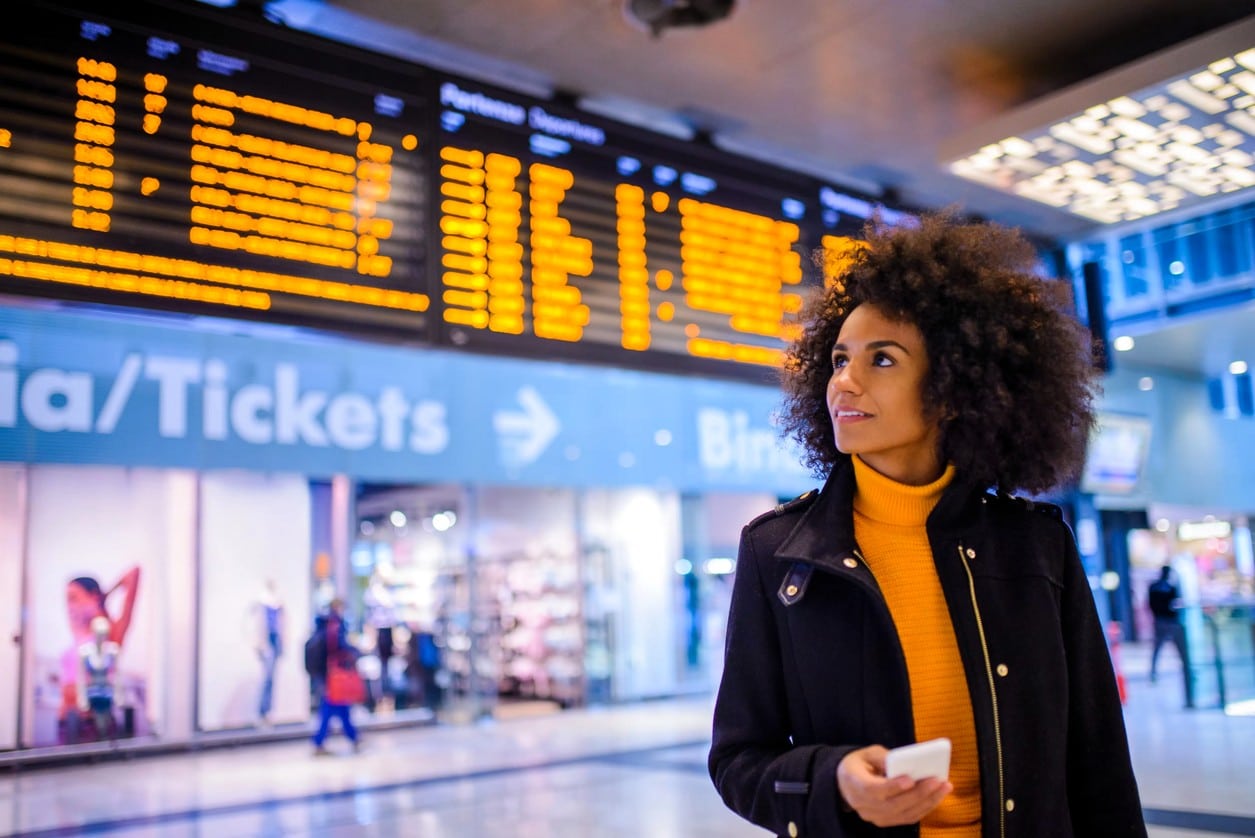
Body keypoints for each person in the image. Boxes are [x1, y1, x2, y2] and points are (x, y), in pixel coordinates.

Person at [708, 211, 1146, 837]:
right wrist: (835, 782)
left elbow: (1099, 761)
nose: (844, 383)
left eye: (881, 360)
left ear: (953, 388)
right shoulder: (779, 552)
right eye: (838, 359)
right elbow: (736, 761)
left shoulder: (1037, 547)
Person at [59, 566, 141, 742]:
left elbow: (134, 572)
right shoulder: (78, 629)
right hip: (66, 720)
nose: (70, 607)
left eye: (74, 598)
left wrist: (105, 596)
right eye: (67, 601)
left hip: (91, 722)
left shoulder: (112, 633)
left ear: (94, 596)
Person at [306, 598, 362, 754]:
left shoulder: (324, 624)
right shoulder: (334, 625)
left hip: (326, 674)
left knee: (339, 707)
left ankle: (353, 737)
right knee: (331, 707)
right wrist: (354, 651)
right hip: (332, 675)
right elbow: (338, 647)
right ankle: (320, 741)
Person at [1148, 565, 1194, 708]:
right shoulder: (1163, 587)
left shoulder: (1160, 587)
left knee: (1161, 649)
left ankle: (1155, 672)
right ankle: (1154, 672)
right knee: (1159, 649)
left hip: (1165, 621)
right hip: (1166, 621)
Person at [75, 615, 120, 742]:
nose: (101, 636)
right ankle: (99, 743)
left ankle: (104, 742)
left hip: (107, 692)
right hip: (93, 692)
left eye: (104, 634)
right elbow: (81, 677)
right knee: (96, 723)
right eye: (99, 633)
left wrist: (118, 695)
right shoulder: (85, 652)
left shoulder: (112, 651)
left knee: (107, 722)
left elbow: (117, 675)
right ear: (93, 633)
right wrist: (82, 697)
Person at [255, 578, 285, 725]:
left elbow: (282, 626)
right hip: (267, 645)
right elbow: (258, 627)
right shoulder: (262, 604)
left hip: (275, 644)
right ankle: (263, 712)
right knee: (267, 680)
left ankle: (267, 712)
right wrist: (260, 645)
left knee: (271, 680)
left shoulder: (278, 604)